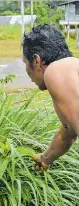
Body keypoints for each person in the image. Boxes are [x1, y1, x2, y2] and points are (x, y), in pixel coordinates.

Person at [21, 24, 79, 170]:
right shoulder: (73, 68)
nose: (27, 71)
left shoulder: (56, 70)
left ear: (36, 60)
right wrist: (45, 159)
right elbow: (67, 135)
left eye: (25, 63)